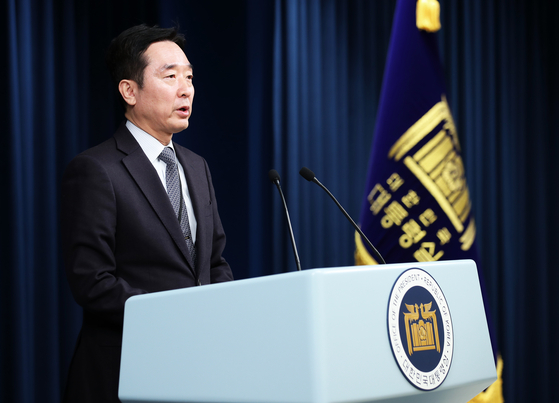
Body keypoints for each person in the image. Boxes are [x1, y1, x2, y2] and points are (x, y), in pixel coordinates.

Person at [60, 24, 234, 402]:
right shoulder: (96, 169)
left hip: (197, 371)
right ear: (129, 90)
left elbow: (214, 264)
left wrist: (221, 316)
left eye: (188, 77)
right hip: (125, 371)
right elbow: (92, 281)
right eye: (169, 76)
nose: (185, 88)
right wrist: (173, 321)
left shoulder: (196, 166)